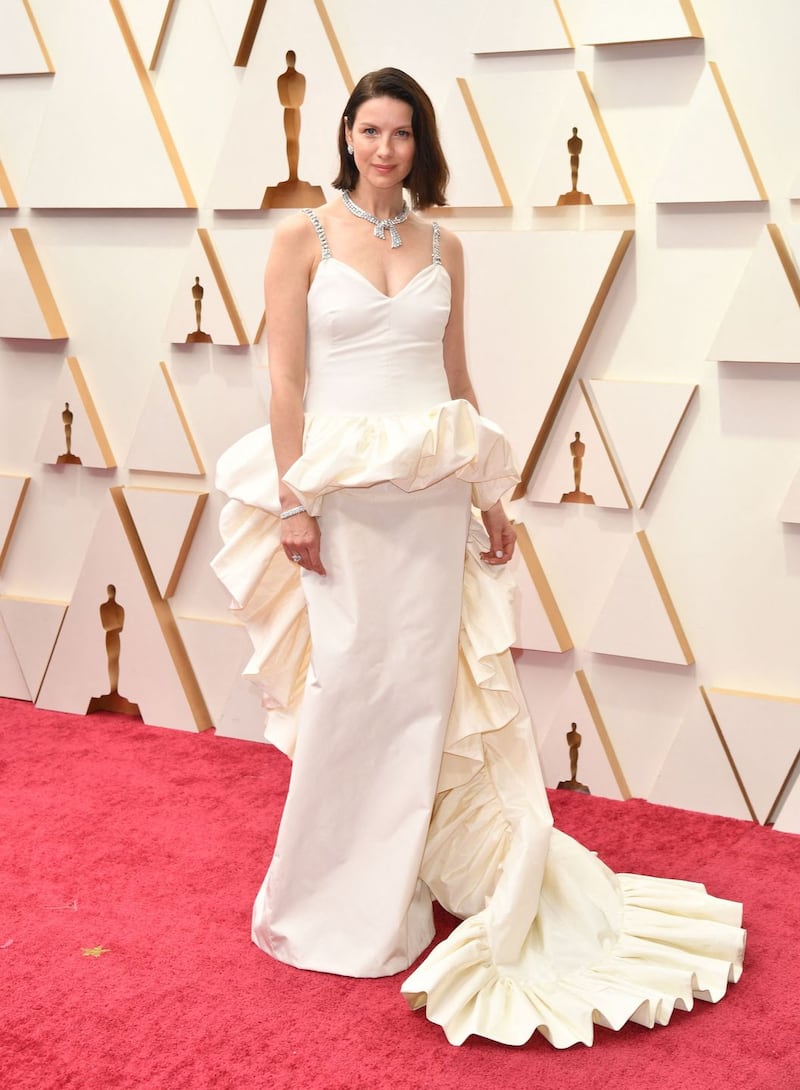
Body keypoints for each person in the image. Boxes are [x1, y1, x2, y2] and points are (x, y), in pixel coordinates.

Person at [213, 68, 744, 1048]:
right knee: (347, 692)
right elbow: (285, 377)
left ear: (419, 144)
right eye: (369, 130)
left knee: (418, 699)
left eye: (400, 133)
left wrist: (489, 497)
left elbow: (454, 379)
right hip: (342, 501)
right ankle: (330, 898)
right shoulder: (302, 237)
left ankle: (404, 879)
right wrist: (292, 502)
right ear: (344, 134)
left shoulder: (442, 243)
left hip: (429, 503)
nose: (383, 148)